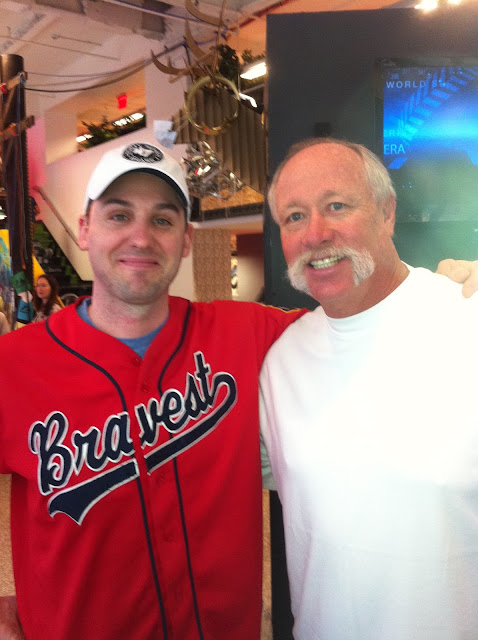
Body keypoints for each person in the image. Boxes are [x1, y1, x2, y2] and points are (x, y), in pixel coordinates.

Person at [0, 141, 476, 640]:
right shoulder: (14, 364)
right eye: (119, 216)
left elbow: (358, 316)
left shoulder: (251, 335)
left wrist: (449, 292)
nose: (140, 237)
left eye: (163, 220)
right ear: (84, 229)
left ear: (186, 239)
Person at [259, 137, 478, 640]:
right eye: (294, 217)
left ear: (387, 213)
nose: (315, 234)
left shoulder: (466, 320)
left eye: (337, 206)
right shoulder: (280, 361)